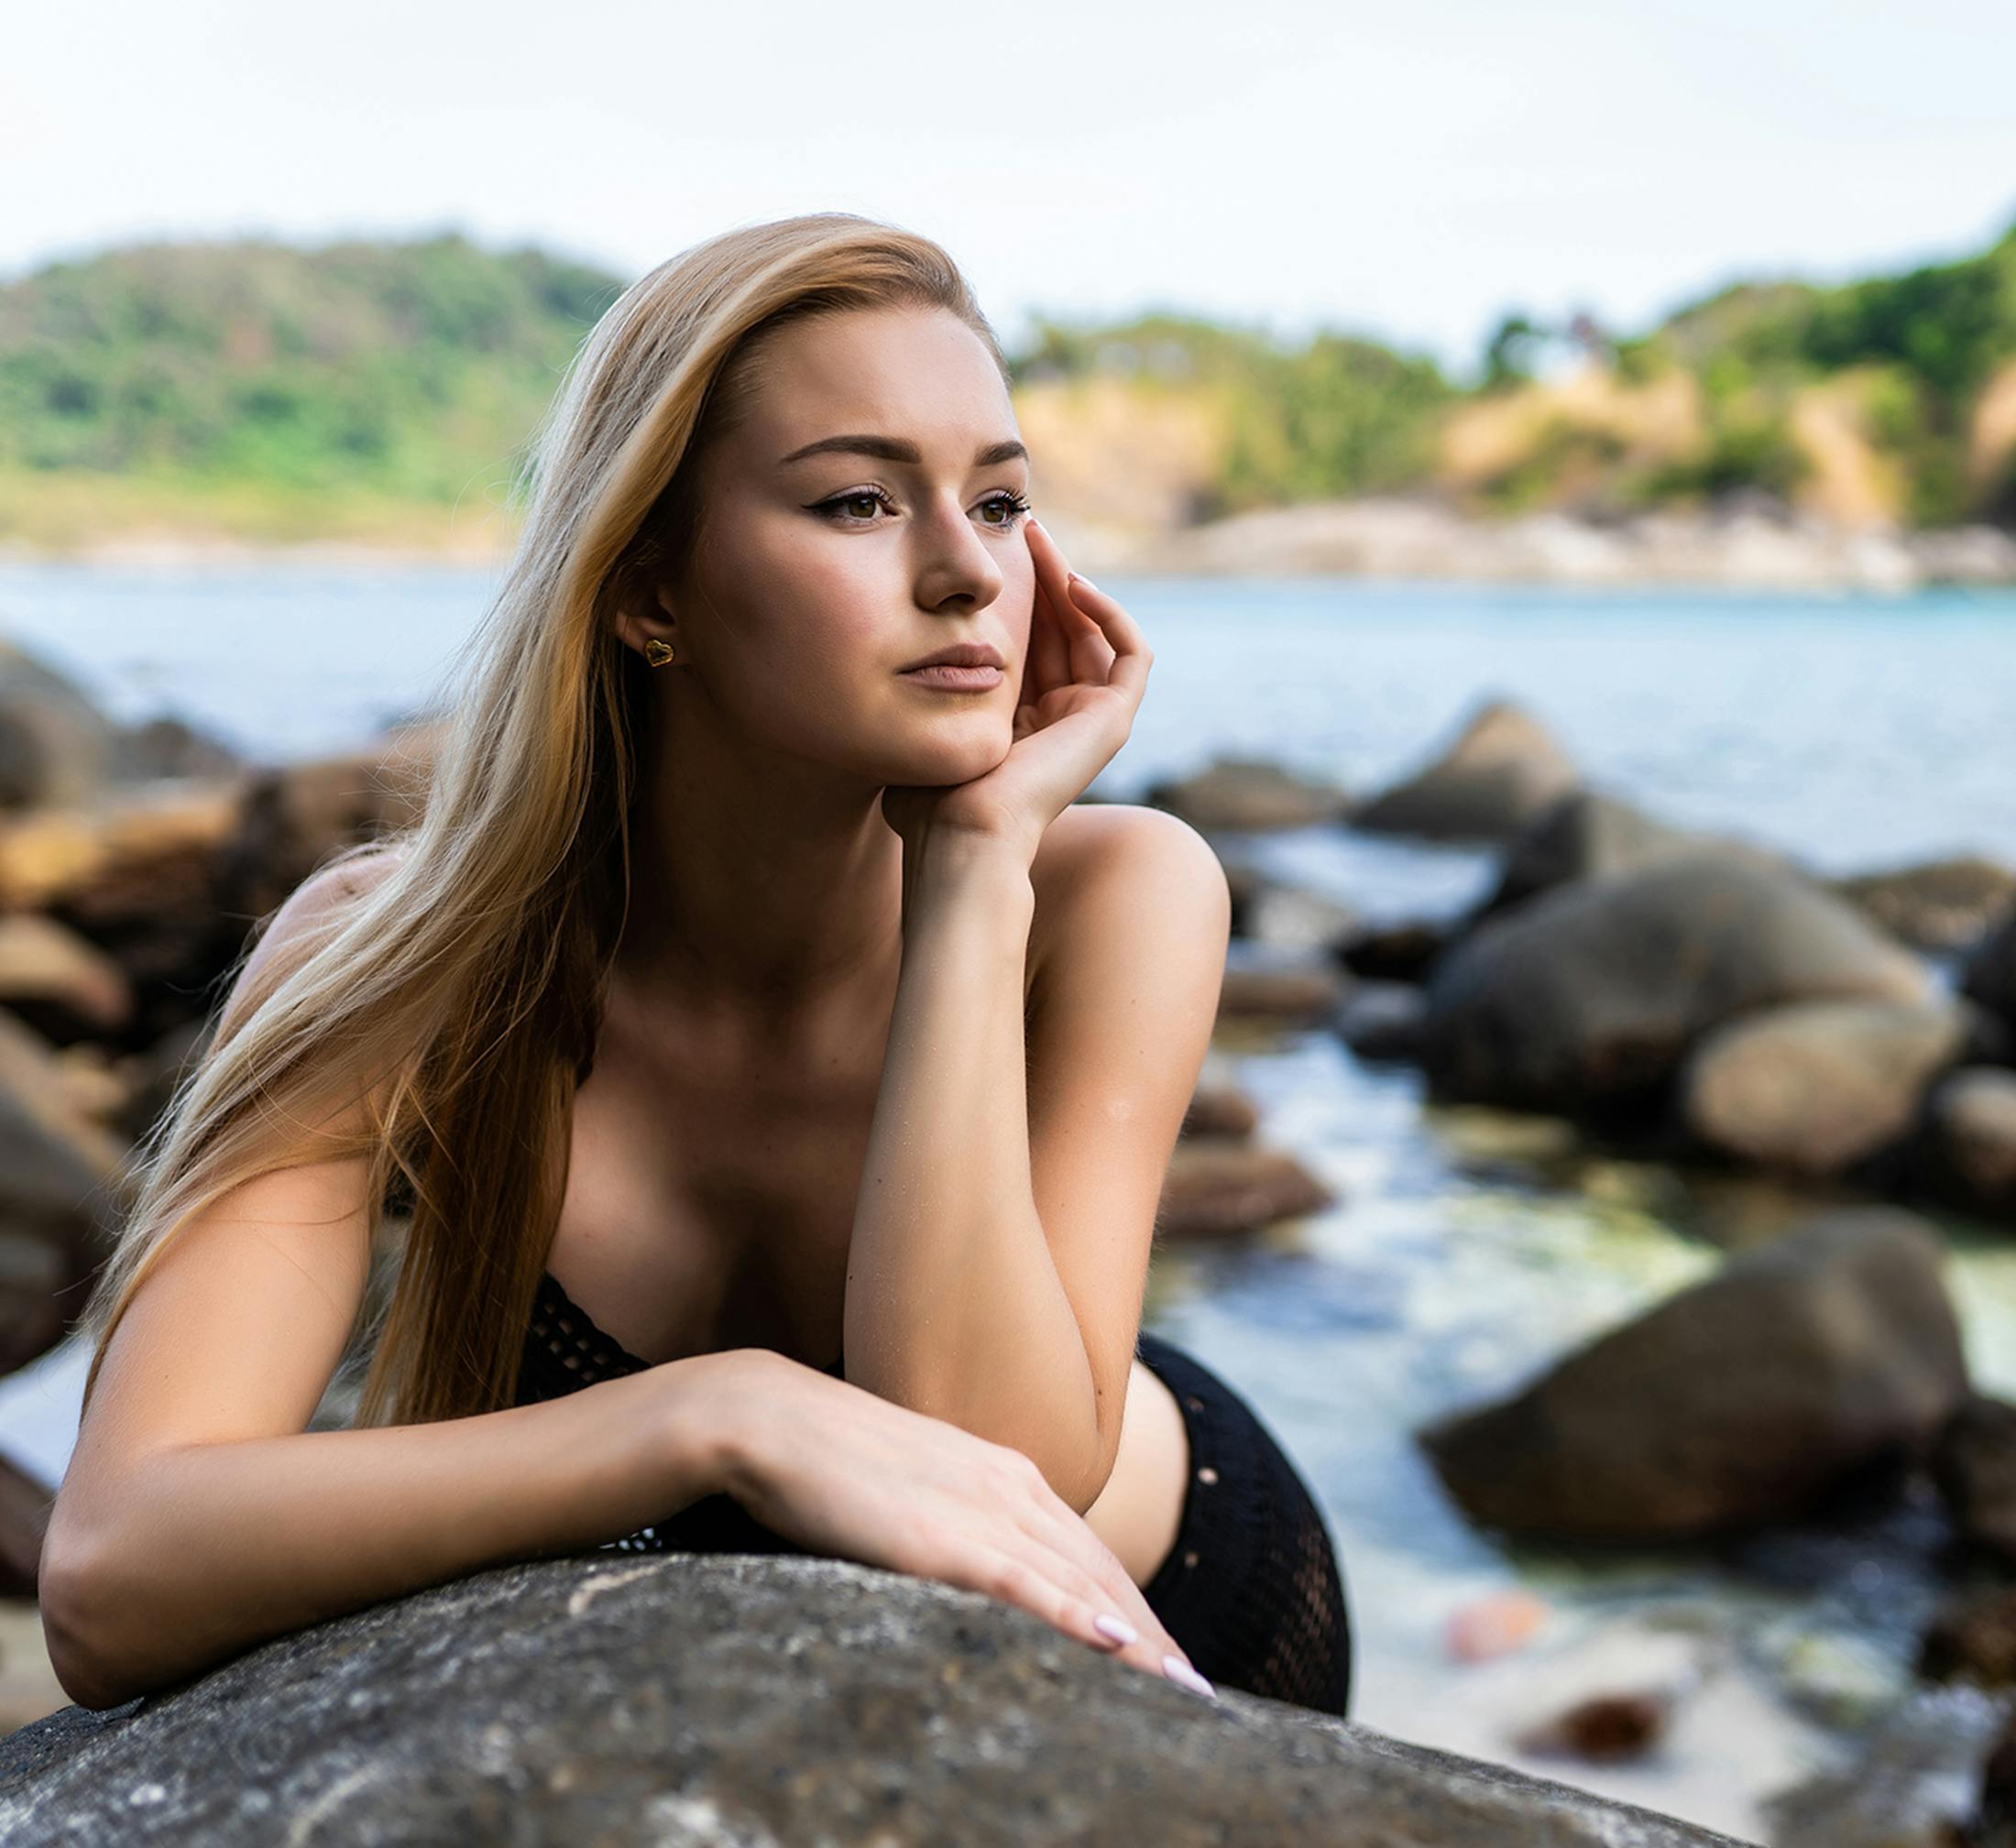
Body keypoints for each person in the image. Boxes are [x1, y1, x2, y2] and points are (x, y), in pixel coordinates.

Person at [40, 213, 1353, 1720]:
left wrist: (979, 863)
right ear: (649, 591)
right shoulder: (397, 961)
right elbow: (113, 1569)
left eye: (999, 502)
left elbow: (988, 1464)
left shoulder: (1116, 887)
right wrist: (716, 1414)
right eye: (860, 502)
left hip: (1192, 1617)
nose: (966, 575)